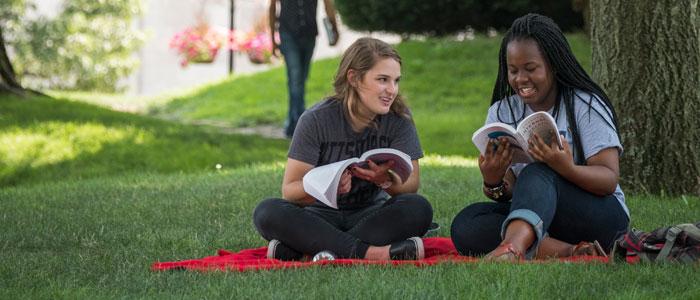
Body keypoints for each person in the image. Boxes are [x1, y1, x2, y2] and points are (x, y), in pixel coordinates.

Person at [450, 13, 630, 261]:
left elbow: (608, 180)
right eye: (513, 70)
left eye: (530, 68)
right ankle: (567, 250)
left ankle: (511, 249)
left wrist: (565, 168)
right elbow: (514, 191)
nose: (520, 79)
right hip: (540, 215)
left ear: (553, 65)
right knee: (466, 225)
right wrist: (493, 181)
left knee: (539, 171)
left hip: (599, 216)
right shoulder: (502, 111)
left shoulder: (585, 105)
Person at [253, 37, 433, 261]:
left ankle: (309, 251)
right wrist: (328, 186)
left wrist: (385, 180)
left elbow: (412, 185)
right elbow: (290, 190)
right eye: (382, 80)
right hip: (318, 216)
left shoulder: (399, 119)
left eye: (396, 81)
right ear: (354, 78)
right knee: (267, 212)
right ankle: (373, 253)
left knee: (418, 208)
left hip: (370, 215)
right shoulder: (316, 119)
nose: (392, 90)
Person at [269, 0, 340, 138]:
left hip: (309, 34)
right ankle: (299, 126)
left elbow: (328, 4)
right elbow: (272, 7)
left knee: (301, 78)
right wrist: (272, 39)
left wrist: (335, 28)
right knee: (296, 78)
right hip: (287, 34)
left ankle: (291, 123)